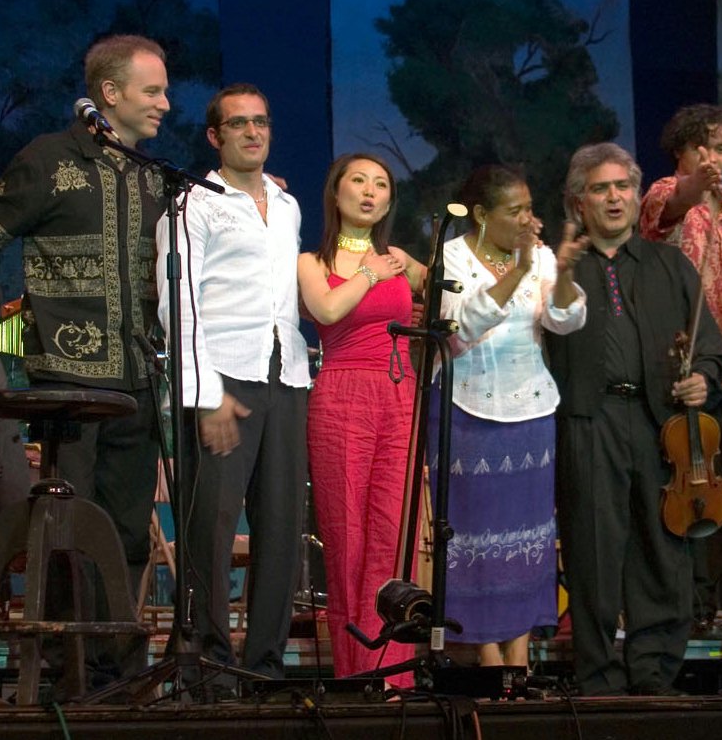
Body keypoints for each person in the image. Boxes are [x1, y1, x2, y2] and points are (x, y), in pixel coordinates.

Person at [0, 34, 169, 680]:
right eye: (152, 91)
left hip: (137, 379)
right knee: (68, 530)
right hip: (68, 386)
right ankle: (59, 661)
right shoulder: (47, 161)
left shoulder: (156, 178)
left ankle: (114, 666)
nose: (165, 104)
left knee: (126, 528)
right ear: (110, 93)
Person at [546, 143, 722, 696]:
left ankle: (654, 673)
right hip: (588, 420)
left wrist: (704, 378)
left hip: (660, 426)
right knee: (594, 550)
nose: (614, 197)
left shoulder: (670, 265)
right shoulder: (561, 271)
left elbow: (712, 350)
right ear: (580, 201)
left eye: (622, 186)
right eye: (600, 188)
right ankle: (599, 675)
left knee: (661, 548)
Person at [157, 83, 311, 687]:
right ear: (215, 136)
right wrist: (206, 392)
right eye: (239, 124)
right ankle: (210, 667)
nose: (254, 132)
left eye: (262, 122)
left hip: (285, 374)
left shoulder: (286, 203)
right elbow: (181, 305)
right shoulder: (193, 203)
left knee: (280, 531)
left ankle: (265, 668)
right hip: (224, 379)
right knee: (212, 532)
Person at [431, 165, 587, 668]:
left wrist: (558, 272)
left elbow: (564, 321)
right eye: (514, 211)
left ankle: (518, 656)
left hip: (532, 412)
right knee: (474, 537)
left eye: (529, 208)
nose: (528, 219)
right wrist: (517, 271)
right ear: (480, 215)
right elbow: (458, 331)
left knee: (528, 537)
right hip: (467, 412)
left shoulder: (540, 256)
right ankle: (484, 654)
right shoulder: (450, 259)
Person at [298, 153, 426, 678]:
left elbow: (452, 297)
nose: (371, 192)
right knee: (347, 537)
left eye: (381, 185)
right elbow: (325, 312)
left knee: (393, 536)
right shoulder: (312, 262)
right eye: (359, 181)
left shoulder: (400, 257)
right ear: (337, 192)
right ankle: (356, 675)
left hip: (398, 394)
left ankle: (395, 675)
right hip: (341, 395)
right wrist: (371, 274)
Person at [639, 104, 722, 629]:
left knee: (717, 487)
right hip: (676, 361)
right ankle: (666, 600)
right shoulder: (666, 192)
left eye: (720, 148)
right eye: (701, 148)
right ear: (681, 152)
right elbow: (673, 205)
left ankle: (706, 606)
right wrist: (697, 184)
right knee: (670, 481)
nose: (712, 158)